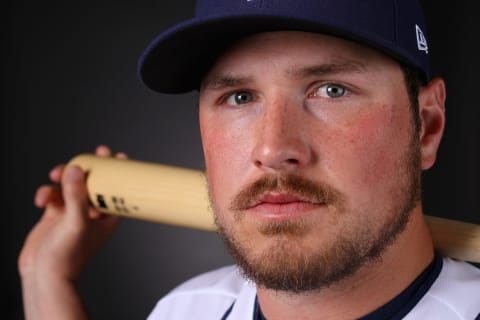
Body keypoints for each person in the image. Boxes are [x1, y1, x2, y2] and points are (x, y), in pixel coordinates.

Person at [18, 0, 480, 319]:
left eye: (332, 90)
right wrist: (44, 279)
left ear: (428, 127)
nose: (273, 149)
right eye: (240, 96)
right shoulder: (187, 310)